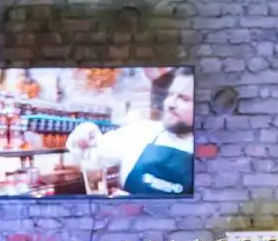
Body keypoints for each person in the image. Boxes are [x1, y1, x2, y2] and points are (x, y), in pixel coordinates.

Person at [65, 68, 195, 198]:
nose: (170, 103)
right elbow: (90, 152)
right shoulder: (143, 132)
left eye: (184, 99)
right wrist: (85, 134)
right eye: (171, 95)